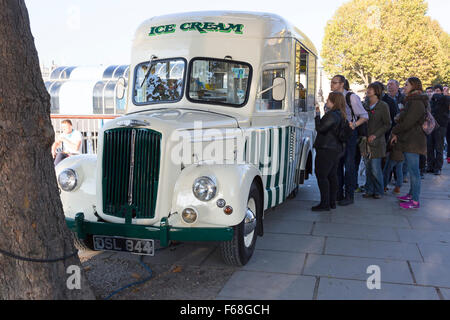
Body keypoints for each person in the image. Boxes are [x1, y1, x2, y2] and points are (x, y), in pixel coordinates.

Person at [330, 75, 369, 206]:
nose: (332, 85)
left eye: (335, 83)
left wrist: (354, 125)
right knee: (337, 164)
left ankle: (349, 195)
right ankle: (338, 193)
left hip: (349, 134)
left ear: (342, 84)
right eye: (332, 82)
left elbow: (364, 116)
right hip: (336, 133)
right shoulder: (333, 97)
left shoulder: (351, 97)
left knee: (349, 164)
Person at [391, 77, 428, 209]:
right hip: (410, 139)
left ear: (414, 86)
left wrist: (395, 130)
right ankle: (412, 195)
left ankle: (415, 200)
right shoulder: (412, 100)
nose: (404, 86)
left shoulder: (416, 102)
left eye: (407, 84)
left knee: (414, 172)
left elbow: (408, 122)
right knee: (413, 170)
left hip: (414, 141)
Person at [312, 92, 346, 211]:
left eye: (328, 100)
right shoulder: (340, 114)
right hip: (335, 149)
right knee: (332, 175)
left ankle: (324, 203)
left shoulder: (331, 115)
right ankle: (332, 202)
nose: (326, 101)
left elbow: (320, 128)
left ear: (333, 101)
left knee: (322, 175)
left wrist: (317, 114)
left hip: (326, 149)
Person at [361, 82, 391, 199]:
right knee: (368, 168)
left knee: (375, 168)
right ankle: (369, 189)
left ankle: (379, 190)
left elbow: (387, 124)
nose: (368, 90)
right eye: (368, 88)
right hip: (365, 142)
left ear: (377, 91)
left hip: (377, 142)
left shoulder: (383, 106)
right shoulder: (364, 105)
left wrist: (376, 135)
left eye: (371, 89)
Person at [427, 84, 450, 175]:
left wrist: (435, 95)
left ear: (441, 91)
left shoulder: (445, 99)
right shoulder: (431, 100)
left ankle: (438, 167)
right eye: (434, 91)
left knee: (439, 147)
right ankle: (430, 166)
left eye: (437, 91)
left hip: (441, 126)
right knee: (430, 147)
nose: (435, 93)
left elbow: (444, 99)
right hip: (431, 126)